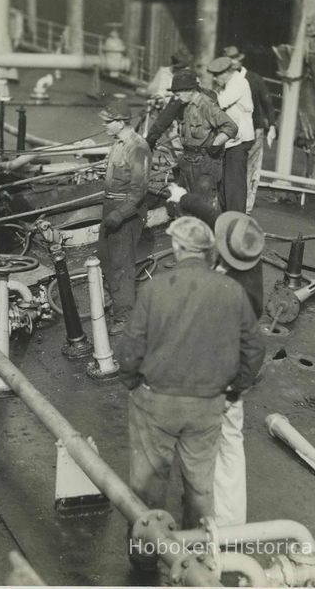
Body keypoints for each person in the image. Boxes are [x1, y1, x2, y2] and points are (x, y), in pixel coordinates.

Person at [117, 216, 265, 532]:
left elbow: (130, 348)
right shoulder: (231, 291)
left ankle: (146, 554)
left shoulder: (154, 289)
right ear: (207, 250)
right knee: (200, 487)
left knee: (148, 485)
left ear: (177, 247)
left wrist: (132, 382)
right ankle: (196, 555)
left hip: (156, 402)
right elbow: (254, 350)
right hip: (208, 405)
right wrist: (235, 389)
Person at [212, 211, 265, 527]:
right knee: (231, 449)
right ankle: (232, 525)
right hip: (232, 382)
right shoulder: (251, 274)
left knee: (211, 448)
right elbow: (256, 348)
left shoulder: (222, 289)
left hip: (213, 383)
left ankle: (215, 525)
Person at [147, 70, 237, 225]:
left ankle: (207, 239)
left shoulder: (206, 104)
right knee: (183, 201)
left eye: (179, 93)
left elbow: (231, 127)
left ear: (190, 90)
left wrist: (215, 145)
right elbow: (165, 120)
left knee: (203, 206)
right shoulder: (186, 105)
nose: (176, 97)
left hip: (204, 163)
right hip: (188, 160)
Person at [97, 99, 151, 335]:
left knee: (122, 265)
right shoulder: (118, 143)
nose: (105, 126)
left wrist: (119, 215)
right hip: (110, 207)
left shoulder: (137, 147)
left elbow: (138, 191)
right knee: (105, 260)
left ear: (120, 122)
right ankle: (115, 304)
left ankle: (124, 316)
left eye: (108, 122)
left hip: (125, 212)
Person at [223, 46, 277, 214]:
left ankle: (246, 207)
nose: (231, 62)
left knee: (250, 169)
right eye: (228, 58)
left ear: (241, 58)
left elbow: (267, 101)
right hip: (231, 130)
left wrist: (272, 126)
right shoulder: (225, 78)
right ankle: (229, 203)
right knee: (232, 168)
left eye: (234, 58)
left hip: (253, 130)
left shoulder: (253, 78)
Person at [208, 56, 254, 213]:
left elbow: (219, 103)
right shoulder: (227, 84)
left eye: (217, 74)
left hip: (239, 139)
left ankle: (235, 219)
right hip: (229, 139)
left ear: (228, 72)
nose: (214, 78)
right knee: (224, 183)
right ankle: (225, 216)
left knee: (234, 184)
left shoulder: (239, 83)